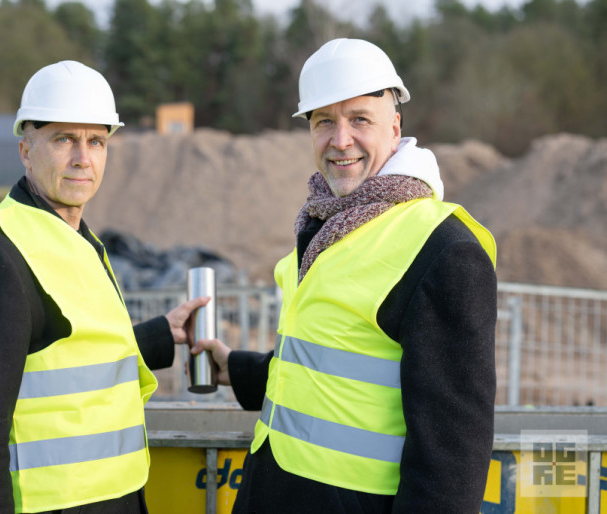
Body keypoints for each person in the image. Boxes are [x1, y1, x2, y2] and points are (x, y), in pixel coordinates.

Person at [191, 38, 497, 513]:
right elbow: (329, 359)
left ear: (394, 128)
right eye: (324, 122)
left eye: (359, 120)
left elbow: (451, 457)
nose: (340, 140)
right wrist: (239, 369)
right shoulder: (325, 221)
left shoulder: (444, 249)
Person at [0, 60, 208, 514]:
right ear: (25, 149)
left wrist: (162, 334)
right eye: (64, 139)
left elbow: (68, 354)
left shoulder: (77, 239)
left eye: (96, 141)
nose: (83, 158)